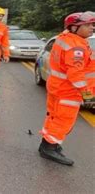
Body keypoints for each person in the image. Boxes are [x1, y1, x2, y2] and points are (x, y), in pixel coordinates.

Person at [38, 11, 95, 166]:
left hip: (58, 87)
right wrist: (87, 94)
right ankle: (49, 148)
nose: (92, 28)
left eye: (92, 24)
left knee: (54, 117)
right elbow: (75, 73)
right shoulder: (76, 46)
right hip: (68, 91)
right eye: (88, 25)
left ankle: (48, 145)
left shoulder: (66, 39)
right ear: (74, 27)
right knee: (63, 121)